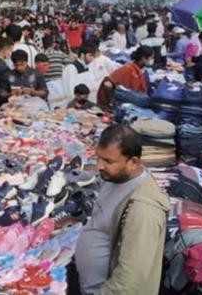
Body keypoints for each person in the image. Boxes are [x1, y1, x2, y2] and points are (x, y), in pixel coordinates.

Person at [74, 124, 170, 295]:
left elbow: (130, 281)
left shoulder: (143, 209)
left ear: (133, 162)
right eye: (99, 158)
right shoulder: (114, 178)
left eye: (108, 161)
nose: (100, 166)